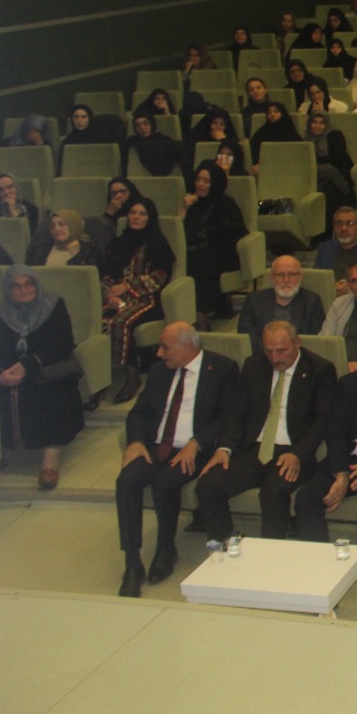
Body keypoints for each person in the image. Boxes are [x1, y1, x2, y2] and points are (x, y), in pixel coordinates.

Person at [114, 322, 240, 597]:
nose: (159, 353)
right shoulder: (160, 372)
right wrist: (135, 441)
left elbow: (229, 416)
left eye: (165, 347)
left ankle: (165, 549)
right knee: (127, 481)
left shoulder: (222, 369)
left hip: (195, 449)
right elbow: (139, 412)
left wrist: (197, 442)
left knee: (166, 482)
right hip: (156, 447)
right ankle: (132, 562)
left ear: (187, 347)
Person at [195, 321, 337, 544]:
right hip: (255, 449)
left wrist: (298, 454)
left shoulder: (320, 370)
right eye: (269, 351)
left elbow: (323, 420)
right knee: (208, 485)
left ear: (297, 343)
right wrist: (224, 448)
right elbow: (237, 414)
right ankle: (224, 545)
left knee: (274, 491)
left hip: (293, 451)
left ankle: (271, 550)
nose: (275, 358)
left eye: (282, 350)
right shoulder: (254, 365)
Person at [0, 267, 83, 490]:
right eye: (16, 286)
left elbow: (64, 344)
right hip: (9, 371)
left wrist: (29, 363)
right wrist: (0, 375)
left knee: (50, 392)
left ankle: (50, 461)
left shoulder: (54, 306)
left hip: (47, 368)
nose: (23, 290)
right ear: (7, 289)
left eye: (28, 284)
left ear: (36, 284)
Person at [101, 197, 176, 404]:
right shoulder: (118, 243)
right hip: (116, 298)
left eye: (142, 214)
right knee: (99, 320)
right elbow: (106, 273)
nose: (136, 217)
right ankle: (99, 380)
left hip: (147, 299)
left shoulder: (156, 243)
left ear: (149, 218)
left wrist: (127, 287)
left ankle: (132, 377)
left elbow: (161, 275)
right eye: (133, 213)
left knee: (121, 321)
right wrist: (110, 294)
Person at [179, 160, 247, 321]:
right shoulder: (192, 203)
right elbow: (179, 232)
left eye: (206, 181)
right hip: (196, 250)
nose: (200, 184)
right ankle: (187, 310)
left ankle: (205, 310)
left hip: (224, 252)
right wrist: (183, 210)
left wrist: (205, 234)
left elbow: (234, 231)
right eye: (198, 179)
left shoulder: (226, 204)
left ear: (215, 183)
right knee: (185, 259)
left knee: (200, 261)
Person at [236, 254, 324, 351]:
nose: (286, 280)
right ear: (272, 277)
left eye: (292, 274)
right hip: (261, 355)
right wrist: (272, 352)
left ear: (300, 276)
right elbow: (247, 338)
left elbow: (313, 341)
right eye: (280, 275)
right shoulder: (254, 300)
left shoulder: (311, 302)